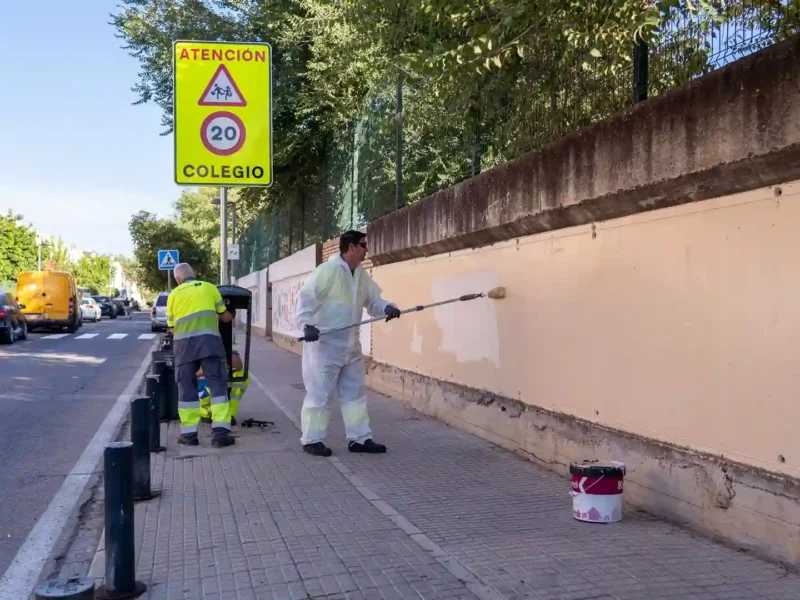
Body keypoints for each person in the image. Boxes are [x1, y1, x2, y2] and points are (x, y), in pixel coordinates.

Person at [295, 230, 401, 457]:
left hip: (351, 346)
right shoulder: (327, 271)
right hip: (324, 346)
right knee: (320, 395)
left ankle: (360, 439)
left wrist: (386, 308)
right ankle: (312, 440)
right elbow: (305, 297)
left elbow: (373, 300)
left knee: (355, 395)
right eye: (363, 245)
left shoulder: (361, 275)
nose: (366, 250)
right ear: (351, 247)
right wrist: (306, 325)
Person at [167, 262, 235, 448]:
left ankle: (189, 436)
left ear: (177, 280)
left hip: (184, 348)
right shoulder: (209, 288)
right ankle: (220, 435)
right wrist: (232, 313)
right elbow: (224, 316)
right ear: (194, 274)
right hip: (210, 345)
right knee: (218, 386)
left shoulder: (173, 295)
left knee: (186, 389)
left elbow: (172, 329)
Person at [198, 349, 250, 434]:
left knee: (240, 373)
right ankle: (207, 413)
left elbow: (238, 365)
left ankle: (228, 414)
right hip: (201, 385)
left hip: (212, 378)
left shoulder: (217, 343)